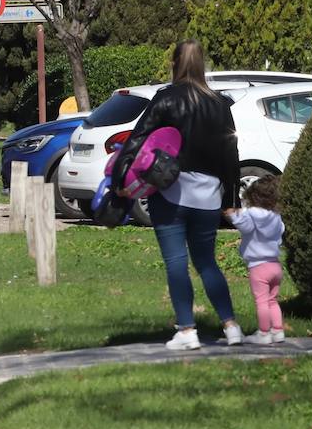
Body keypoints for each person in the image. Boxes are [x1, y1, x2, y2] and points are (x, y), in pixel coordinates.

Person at [113, 39, 243, 351]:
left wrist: (120, 178)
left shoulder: (165, 99)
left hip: (171, 192)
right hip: (209, 196)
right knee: (207, 262)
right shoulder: (220, 105)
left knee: (176, 261)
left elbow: (138, 139)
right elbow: (231, 154)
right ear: (202, 65)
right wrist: (231, 201)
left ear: (175, 64)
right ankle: (231, 326)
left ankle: (187, 329)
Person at [227, 177, 286, 345]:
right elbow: (282, 229)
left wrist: (233, 215)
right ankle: (278, 330)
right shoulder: (276, 217)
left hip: (258, 266)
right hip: (275, 265)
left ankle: (264, 333)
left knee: (261, 302)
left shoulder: (250, 214)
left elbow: (245, 226)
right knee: (272, 300)